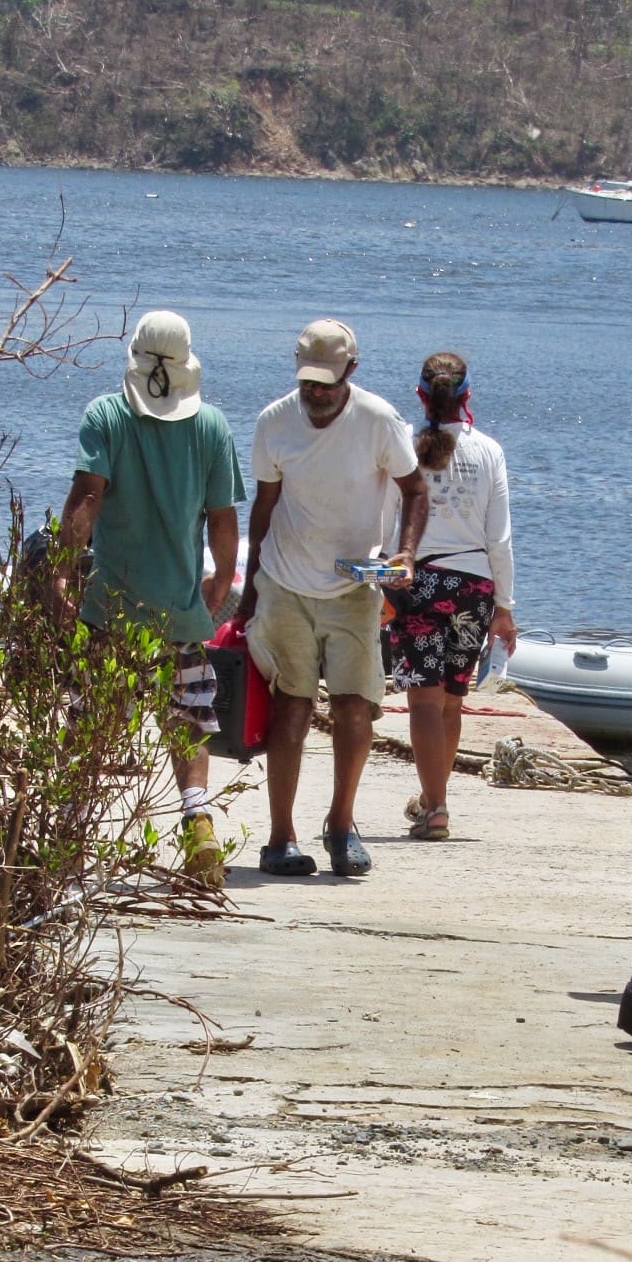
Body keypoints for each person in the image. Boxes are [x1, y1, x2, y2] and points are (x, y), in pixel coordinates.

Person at [52, 310, 244, 885]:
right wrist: (221, 578)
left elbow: (88, 496)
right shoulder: (210, 426)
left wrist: (61, 571)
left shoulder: (106, 415)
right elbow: (222, 517)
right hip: (180, 609)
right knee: (187, 723)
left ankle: (68, 836)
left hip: (110, 606)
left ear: (133, 356)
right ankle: (197, 821)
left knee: (90, 725)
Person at [240, 319, 429, 877]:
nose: (317, 392)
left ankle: (342, 826)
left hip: (355, 585)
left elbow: (415, 490)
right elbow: (264, 506)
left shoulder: (379, 420)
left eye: (327, 381)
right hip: (286, 581)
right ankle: (280, 838)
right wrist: (250, 591)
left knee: (353, 708)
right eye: (308, 381)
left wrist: (407, 553)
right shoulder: (273, 422)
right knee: (292, 707)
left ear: (352, 369)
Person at [384, 350, 516, 841]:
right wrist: (505, 607)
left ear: (421, 395)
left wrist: (379, 582)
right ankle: (436, 800)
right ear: (468, 397)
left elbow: (385, 518)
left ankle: (435, 806)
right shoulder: (489, 451)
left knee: (422, 700)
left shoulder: (404, 445)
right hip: (475, 585)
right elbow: (499, 538)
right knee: (452, 700)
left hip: (416, 578)